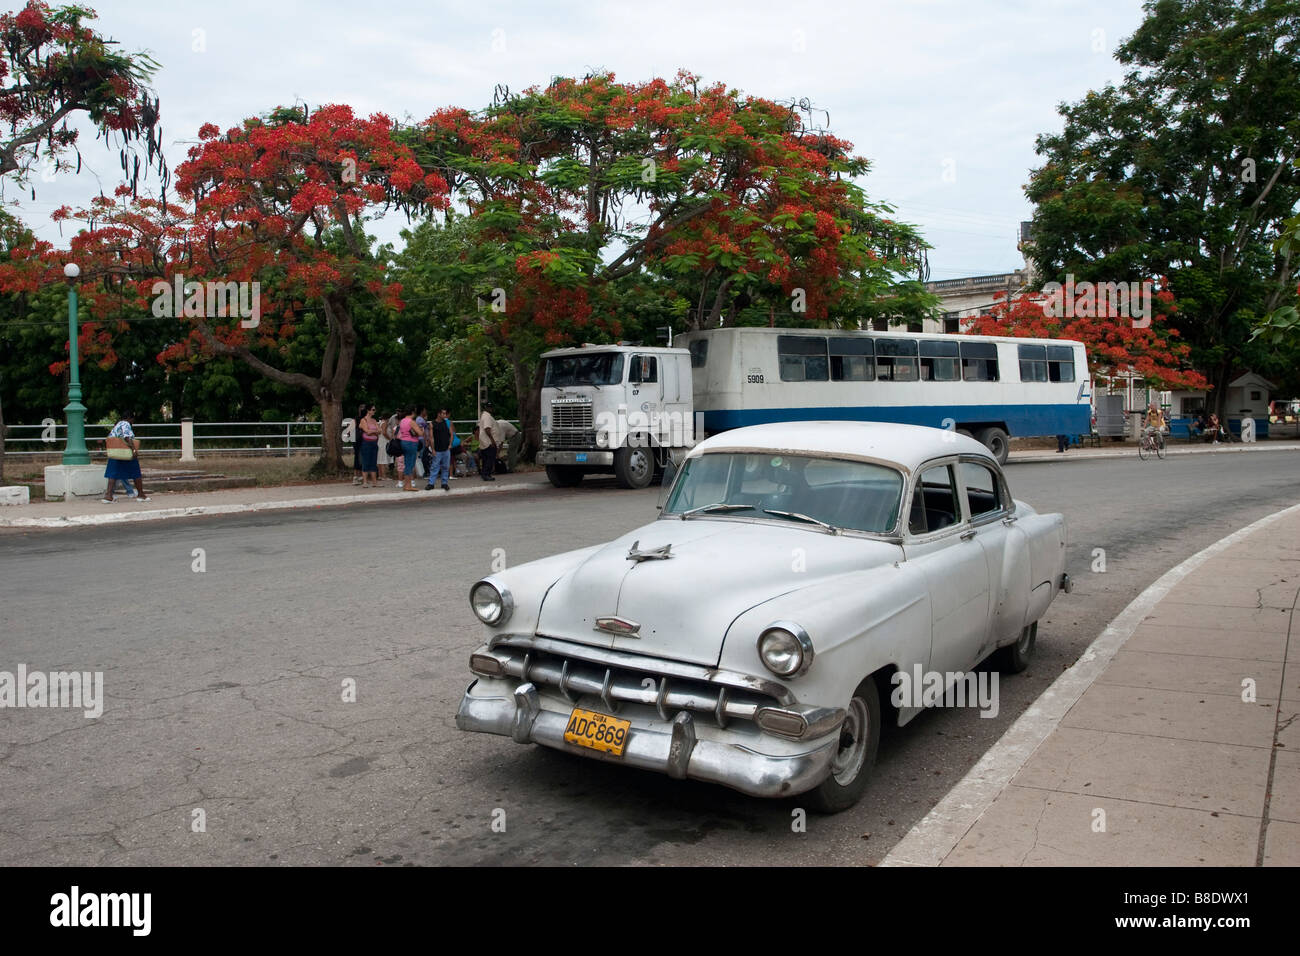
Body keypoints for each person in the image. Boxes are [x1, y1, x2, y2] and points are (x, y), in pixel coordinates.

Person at [101, 412, 149, 502]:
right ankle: (141, 494)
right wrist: (134, 450)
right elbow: (127, 437)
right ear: (129, 418)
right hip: (125, 452)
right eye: (132, 419)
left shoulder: (118, 424)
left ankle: (108, 495)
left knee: (113, 474)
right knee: (136, 472)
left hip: (115, 452)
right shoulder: (126, 424)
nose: (133, 422)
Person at [424, 406, 454, 492]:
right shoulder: (432, 424)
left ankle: (444, 483)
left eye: (445, 413)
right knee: (434, 466)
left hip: (446, 449)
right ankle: (431, 483)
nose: (445, 415)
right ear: (439, 414)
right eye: (443, 413)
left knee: (446, 466)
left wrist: (450, 444)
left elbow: (451, 434)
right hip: (437, 449)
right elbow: (431, 437)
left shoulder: (447, 422)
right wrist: (433, 449)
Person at [397, 406, 423, 492]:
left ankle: (406, 484)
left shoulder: (402, 421)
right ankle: (408, 485)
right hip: (411, 443)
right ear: (412, 412)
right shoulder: (411, 422)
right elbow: (420, 433)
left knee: (407, 463)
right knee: (410, 464)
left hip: (403, 442)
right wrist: (421, 429)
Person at [358, 404, 381, 487]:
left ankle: (375, 482)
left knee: (373, 462)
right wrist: (374, 431)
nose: (374, 411)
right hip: (366, 443)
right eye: (373, 409)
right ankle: (365, 482)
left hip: (374, 443)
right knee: (366, 461)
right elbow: (367, 431)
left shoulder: (374, 420)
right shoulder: (363, 420)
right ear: (368, 410)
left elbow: (380, 430)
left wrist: (372, 431)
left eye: (374, 409)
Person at [352, 403, 367, 485]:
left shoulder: (365, 419)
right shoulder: (358, 419)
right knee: (358, 457)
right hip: (358, 440)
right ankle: (356, 476)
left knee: (360, 457)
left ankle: (360, 476)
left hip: (361, 439)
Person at [376, 410, 394, 480]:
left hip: (380, 441)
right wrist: (389, 439)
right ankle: (384, 476)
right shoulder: (385, 423)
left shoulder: (380, 423)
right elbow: (384, 432)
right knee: (383, 459)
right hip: (384, 441)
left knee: (380, 459)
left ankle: (380, 475)